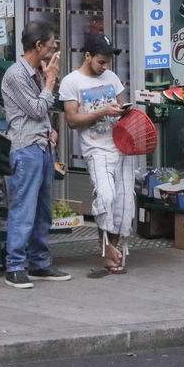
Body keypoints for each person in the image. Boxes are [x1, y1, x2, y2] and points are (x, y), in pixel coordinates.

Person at [0, 21, 71, 289]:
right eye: (51, 43)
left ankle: (39, 262)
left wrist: (50, 130)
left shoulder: (37, 72)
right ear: (38, 46)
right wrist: (50, 80)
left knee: (42, 210)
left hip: (43, 147)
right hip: (26, 148)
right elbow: (37, 108)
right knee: (23, 209)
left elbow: (44, 113)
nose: (54, 48)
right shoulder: (16, 75)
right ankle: (15, 266)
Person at [60, 33, 135, 275]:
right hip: (96, 148)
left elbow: (121, 107)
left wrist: (123, 111)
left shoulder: (111, 77)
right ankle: (106, 247)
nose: (105, 67)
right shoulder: (71, 82)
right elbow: (71, 120)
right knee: (106, 196)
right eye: (101, 62)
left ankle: (111, 250)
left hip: (120, 146)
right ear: (88, 56)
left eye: (108, 63)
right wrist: (102, 111)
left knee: (123, 202)